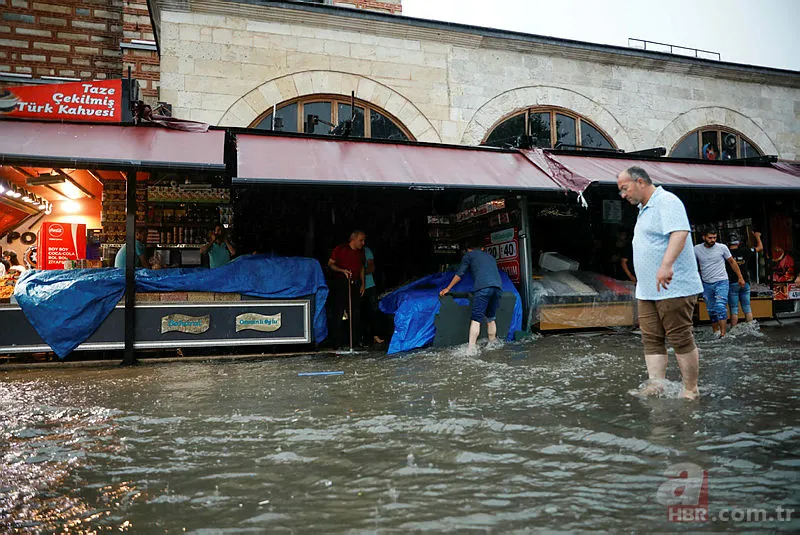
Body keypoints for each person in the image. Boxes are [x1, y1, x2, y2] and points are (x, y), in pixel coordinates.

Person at [617, 166, 703, 400]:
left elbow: (680, 233)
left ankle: (690, 389)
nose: (623, 195)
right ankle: (657, 384)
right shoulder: (644, 209)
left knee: (680, 337)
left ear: (640, 181)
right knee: (651, 339)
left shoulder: (667, 201)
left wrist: (666, 265)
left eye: (625, 188)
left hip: (674, 287)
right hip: (647, 290)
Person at [439, 238, 503, 355]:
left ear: (468, 249)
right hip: (497, 288)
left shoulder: (469, 256)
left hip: (483, 288)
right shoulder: (490, 257)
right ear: (482, 248)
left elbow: (460, 274)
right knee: (491, 318)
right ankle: (493, 344)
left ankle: (471, 349)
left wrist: (448, 288)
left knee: (476, 319)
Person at [694, 227, 745, 338]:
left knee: (720, 306)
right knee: (711, 309)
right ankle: (715, 331)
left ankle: (723, 333)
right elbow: (692, 265)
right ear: (704, 237)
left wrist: (740, 277)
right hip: (706, 283)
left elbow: (732, 262)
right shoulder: (696, 249)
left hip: (722, 281)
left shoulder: (722, 247)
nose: (712, 240)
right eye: (710, 238)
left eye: (715, 238)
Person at [328, 230, 366, 349]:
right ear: (353, 239)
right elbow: (330, 264)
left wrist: (363, 284)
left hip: (354, 283)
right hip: (341, 283)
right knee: (339, 312)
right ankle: (337, 342)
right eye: (361, 240)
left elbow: (361, 268)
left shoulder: (361, 252)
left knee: (355, 312)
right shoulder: (340, 249)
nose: (363, 243)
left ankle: (355, 341)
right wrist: (342, 270)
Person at [727, 230, 763, 327]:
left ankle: (733, 330)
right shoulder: (745, 251)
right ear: (738, 242)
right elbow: (760, 248)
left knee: (734, 309)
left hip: (732, 283)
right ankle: (750, 327)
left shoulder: (726, 253)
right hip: (745, 282)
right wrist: (757, 236)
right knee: (747, 307)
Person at [362, 244, 385, 345]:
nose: (363, 243)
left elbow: (371, 268)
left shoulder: (366, 251)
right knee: (360, 312)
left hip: (369, 285)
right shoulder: (351, 252)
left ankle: (376, 335)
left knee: (373, 310)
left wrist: (359, 272)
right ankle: (362, 337)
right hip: (356, 285)